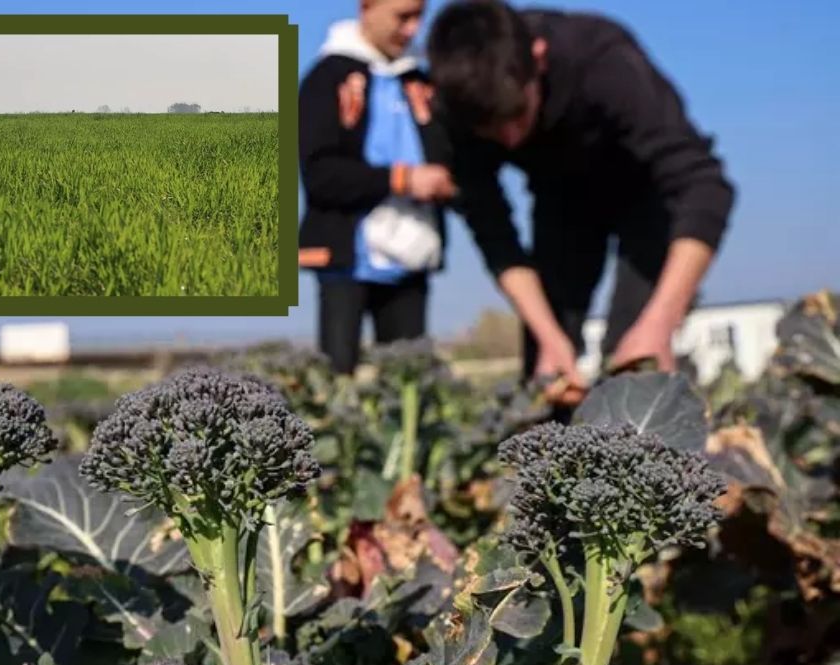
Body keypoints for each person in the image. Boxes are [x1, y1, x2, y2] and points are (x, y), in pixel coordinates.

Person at [427, 0, 735, 393]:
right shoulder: (457, 105)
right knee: (546, 371)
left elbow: (704, 185)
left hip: (646, 198)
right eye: (490, 128)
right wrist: (550, 337)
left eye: (517, 114)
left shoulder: (602, 61)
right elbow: (493, 232)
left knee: (634, 365)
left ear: (537, 59)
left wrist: (661, 321)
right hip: (561, 203)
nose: (508, 138)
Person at [299, 0, 458, 375]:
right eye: (402, 17)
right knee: (335, 381)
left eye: (419, 17)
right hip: (346, 256)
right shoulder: (327, 77)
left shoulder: (421, 81)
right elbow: (319, 174)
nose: (412, 29)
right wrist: (401, 180)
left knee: (409, 385)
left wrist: (448, 181)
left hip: (413, 253)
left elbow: (453, 155)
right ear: (367, 8)